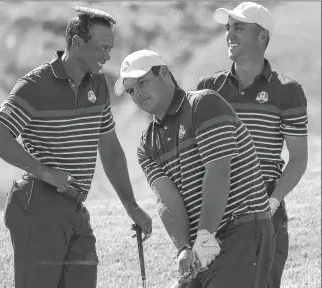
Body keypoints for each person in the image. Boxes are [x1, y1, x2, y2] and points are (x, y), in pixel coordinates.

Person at [0, 6, 152, 288]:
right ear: (76, 43)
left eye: (110, 49)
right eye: (101, 48)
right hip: (38, 205)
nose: (107, 56)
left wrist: (131, 206)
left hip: (75, 208)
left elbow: (109, 148)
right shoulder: (34, 85)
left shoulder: (98, 85)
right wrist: (46, 172)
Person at [114, 49, 274, 287]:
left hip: (243, 229)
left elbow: (218, 174)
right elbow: (168, 200)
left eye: (143, 82)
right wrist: (184, 248)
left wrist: (205, 238)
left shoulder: (203, 104)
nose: (137, 93)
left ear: (165, 73)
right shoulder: (147, 144)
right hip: (204, 243)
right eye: (130, 90)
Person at [196, 2, 308, 287]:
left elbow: (298, 158)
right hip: (215, 209)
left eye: (239, 28)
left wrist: (272, 201)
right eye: (228, 28)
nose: (229, 35)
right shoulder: (208, 88)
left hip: (265, 207)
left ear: (262, 37)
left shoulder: (288, 91)